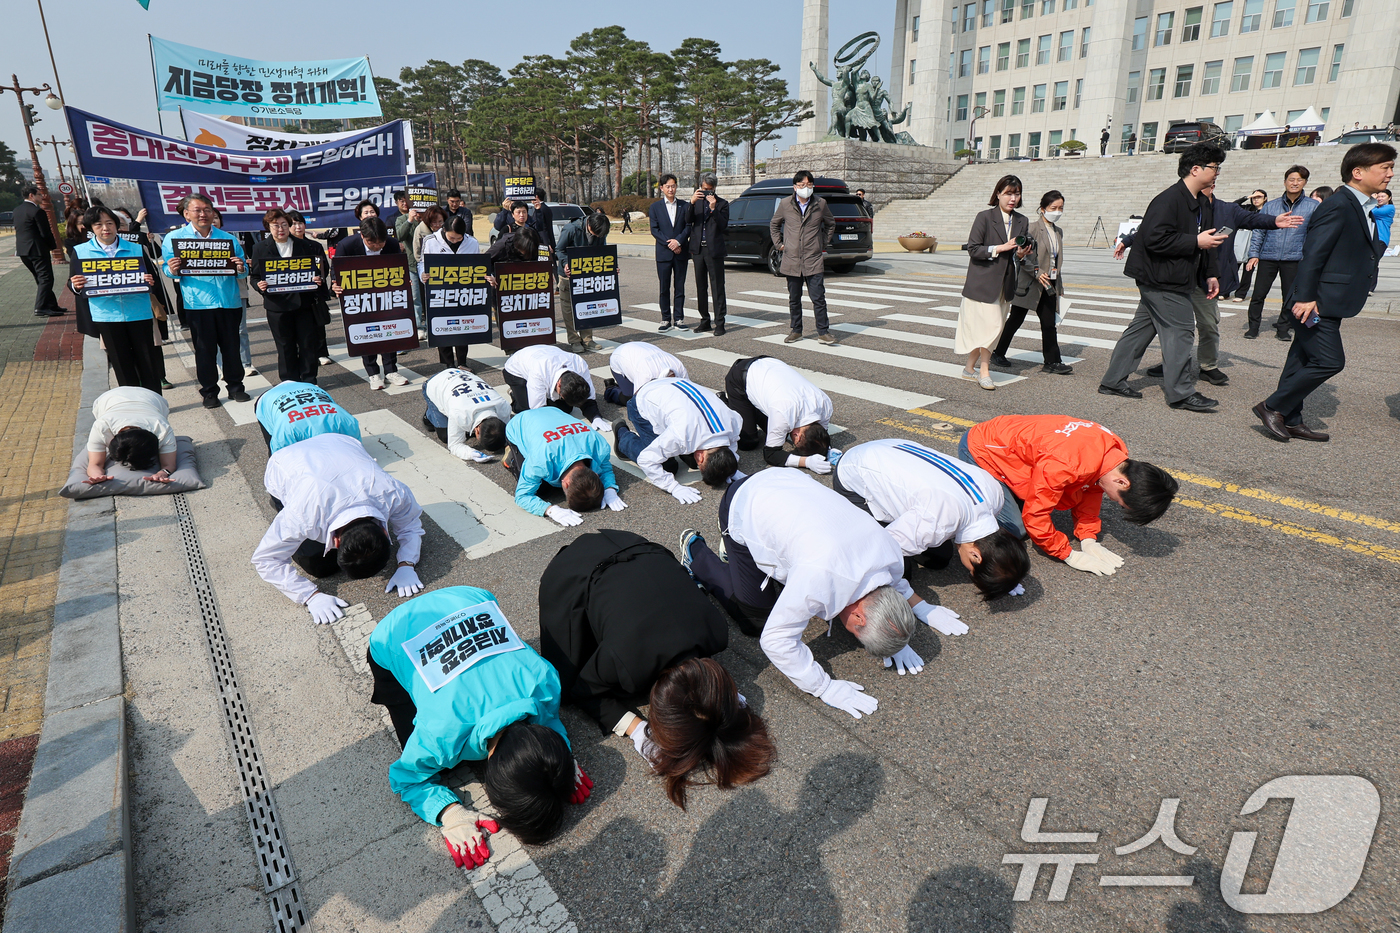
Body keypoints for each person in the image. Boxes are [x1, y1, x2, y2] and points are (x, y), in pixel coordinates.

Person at [679, 470, 959, 718]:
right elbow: (776, 641)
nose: (852, 637)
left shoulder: (889, 550)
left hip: (787, 483)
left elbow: (895, 582)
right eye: (858, 635)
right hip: (743, 500)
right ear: (859, 616)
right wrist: (823, 686)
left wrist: (899, 630)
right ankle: (697, 553)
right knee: (755, 619)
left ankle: (750, 557)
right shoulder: (818, 578)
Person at [537, 530, 773, 808]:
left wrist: (722, 695)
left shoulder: (715, 631)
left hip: (639, 546)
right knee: (560, 682)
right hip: (575, 568)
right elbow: (585, 691)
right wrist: (636, 728)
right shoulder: (623, 661)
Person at [367, 585, 591, 867]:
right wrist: (449, 813)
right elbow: (406, 776)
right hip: (391, 631)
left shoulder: (543, 681)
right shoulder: (440, 734)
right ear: (492, 780)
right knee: (437, 758)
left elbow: (548, 721)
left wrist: (558, 761)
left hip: (468, 598)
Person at [1254, 144, 1395, 443]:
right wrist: (1305, 297)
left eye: (1391, 167)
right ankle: (1273, 406)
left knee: (1301, 361)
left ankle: (1291, 419)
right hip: (1315, 302)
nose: (1390, 173)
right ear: (1358, 172)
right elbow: (1313, 253)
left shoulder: (1362, 206)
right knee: (1330, 361)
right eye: (1384, 167)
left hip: (1331, 300)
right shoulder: (1338, 204)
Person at [1119, 182, 1301, 387]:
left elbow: (1252, 219)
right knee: (1173, 327)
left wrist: (1274, 221)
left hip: (1205, 279)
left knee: (1208, 324)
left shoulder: (1227, 209)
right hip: (1176, 276)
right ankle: (1172, 365)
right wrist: (1127, 241)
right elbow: (1154, 229)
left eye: (1213, 178)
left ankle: (1208, 366)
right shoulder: (1181, 205)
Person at [958, 415, 1178, 574]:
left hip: (1012, 443)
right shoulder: (1065, 464)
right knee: (1018, 528)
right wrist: (1066, 553)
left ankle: (1011, 495)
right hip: (982, 450)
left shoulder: (1115, 455)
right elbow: (1036, 516)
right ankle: (967, 502)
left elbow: (1092, 489)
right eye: (1121, 502)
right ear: (1122, 481)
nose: (1113, 501)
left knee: (1047, 494)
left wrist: (1088, 537)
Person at [1097, 144, 1227, 412]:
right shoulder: (1169, 199)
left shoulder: (1200, 201)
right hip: (1161, 279)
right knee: (1180, 332)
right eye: (1214, 167)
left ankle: (1112, 381)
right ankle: (1180, 393)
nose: (1217, 173)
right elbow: (1154, 237)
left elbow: (1208, 240)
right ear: (1195, 169)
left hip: (1169, 277)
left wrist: (1210, 273)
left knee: (1140, 331)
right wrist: (1195, 241)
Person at [252, 432, 425, 625]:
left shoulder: (392, 491)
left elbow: (411, 524)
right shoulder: (302, 515)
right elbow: (266, 559)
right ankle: (277, 502)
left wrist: (406, 564)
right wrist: (309, 596)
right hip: (285, 461)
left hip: (339, 442)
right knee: (318, 567)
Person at [832, 438, 1030, 599]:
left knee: (939, 557)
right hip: (855, 471)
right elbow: (882, 548)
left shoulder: (995, 495)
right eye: (972, 571)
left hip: (893, 447)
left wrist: (1005, 572)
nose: (969, 573)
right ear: (976, 555)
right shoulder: (936, 522)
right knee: (900, 572)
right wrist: (916, 603)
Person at [160, 193, 250, 409]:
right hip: (197, 304)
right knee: (204, 350)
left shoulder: (228, 238)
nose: (203, 214)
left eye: (207, 210)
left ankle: (236, 387)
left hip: (229, 302)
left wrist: (240, 268)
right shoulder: (174, 239)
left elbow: (242, 270)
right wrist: (171, 270)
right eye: (197, 210)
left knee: (231, 347)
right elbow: (168, 270)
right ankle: (209, 391)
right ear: (186, 214)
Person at [70, 206, 162, 392]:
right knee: (121, 364)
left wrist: (149, 281)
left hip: (139, 313)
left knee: (148, 362)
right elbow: (74, 284)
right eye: (98, 225)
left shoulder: (136, 248)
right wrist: (75, 285)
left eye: (109, 223)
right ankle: (131, 406)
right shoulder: (80, 252)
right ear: (90, 228)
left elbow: (154, 281)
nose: (105, 228)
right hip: (106, 315)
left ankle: (154, 403)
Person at [613, 377, 741, 503]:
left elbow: (733, 442)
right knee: (667, 466)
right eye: (700, 464)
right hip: (642, 398)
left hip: (673, 384)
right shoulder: (681, 435)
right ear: (701, 457)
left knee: (689, 459)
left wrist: (728, 468)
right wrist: (672, 487)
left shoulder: (732, 423)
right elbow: (646, 459)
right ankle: (623, 436)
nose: (698, 464)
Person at [958, 175, 1031, 390]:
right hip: (982, 283)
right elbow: (973, 249)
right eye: (1008, 193)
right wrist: (999, 248)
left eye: (1016, 194)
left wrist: (1020, 253)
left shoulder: (1022, 221)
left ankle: (968, 368)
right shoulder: (984, 217)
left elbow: (1017, 255)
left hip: (1006, 284)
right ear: (997, 194)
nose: (1013, 198)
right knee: (994, 327)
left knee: (990, 330)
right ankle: (984, 371)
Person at [501, 407, 625, 526]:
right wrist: (550, 510)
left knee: (546, 485)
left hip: (551, 411)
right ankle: (511, 455)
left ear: (595, 474)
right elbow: (522, 496)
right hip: (519, 423)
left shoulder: (599, 446)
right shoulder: (540, 462)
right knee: (540, 490)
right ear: (565, 484)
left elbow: (606, 467)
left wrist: (609, 488)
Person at [991, 190, 1070, 375]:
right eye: (1053, 208)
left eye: (1061, 208)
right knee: (1015, 320)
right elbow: (1021, 256)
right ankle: (998, 352)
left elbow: (1055, 261)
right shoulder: (1032, 228)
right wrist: (1037, 272)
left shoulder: (1059, 231)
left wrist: (1060, 286)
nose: (1057, 211)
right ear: (1042, 209)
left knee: (1048, 323)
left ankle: (1052, 361)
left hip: (1049, 283)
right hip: (1030, 284)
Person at [249, 209, 325, 385]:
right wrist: (259, 286)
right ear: (268, 227)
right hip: (277, 306)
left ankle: (309, 380)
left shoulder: (304, 245)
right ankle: (289, 381)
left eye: (284, 224)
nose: (280, 229)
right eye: (275, 225)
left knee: (307, 344)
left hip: (303, 305)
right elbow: (255, 276)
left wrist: (317, 279)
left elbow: (315, 272)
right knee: (285, 347)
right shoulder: (260, 248)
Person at [332, 216, 409, 390]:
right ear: (362, 236)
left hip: (385, 295)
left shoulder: (391, 244)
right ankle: (373, 373)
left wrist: (404, 282)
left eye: (380, 243)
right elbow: (336, 269)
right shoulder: (347, 245)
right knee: (365, 332)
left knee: (389, 330)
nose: (377, 247)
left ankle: (391, 370)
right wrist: (335, 283)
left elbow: (399, 267)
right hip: (360, 298)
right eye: (372, 243)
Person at [721, 356, 835, 471]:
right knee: (748, 443)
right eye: (795, 444)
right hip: (740, 376)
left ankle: (748, 410)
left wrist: (826, 449)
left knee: (781, 433)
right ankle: (723, 403)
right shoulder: (784, 414)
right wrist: (806, 462)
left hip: (770, 364)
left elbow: (822, 433)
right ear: (797, 436)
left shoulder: (825, 404)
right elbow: (770, 454)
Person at [1245, 165, 1318, 341]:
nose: (1295, 183)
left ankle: (1283, 329)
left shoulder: (1313, 206)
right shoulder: (1270, 206)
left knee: (1289, 296)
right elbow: (1258, 231)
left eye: (1299, 180)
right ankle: (1253, 327)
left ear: (1305, 182)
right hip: (1268, 256)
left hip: (1294, 258)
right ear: (1285, 182)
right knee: (1258, 295)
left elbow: (1314, 234)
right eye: (1291, 179)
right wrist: (1254, 254)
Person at [770, 170, 837, 345]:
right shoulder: (785, 204)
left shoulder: (820, 204)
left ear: (813, 186)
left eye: (808, 185)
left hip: (813, 259)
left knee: (818, 298)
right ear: (795, 187)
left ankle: (823, 332)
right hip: (792, 259)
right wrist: (780, 244)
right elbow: (774, 224)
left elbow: (830, 224)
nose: (805, 188)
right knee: (794, 298)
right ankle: (796, 330)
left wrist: (822, 243)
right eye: (801, 185)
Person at [417, 215, 481, 368]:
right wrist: (422, 274)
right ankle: (448, 365)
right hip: (440, 291)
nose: (454, 241)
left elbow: (479, 265)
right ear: (444, 230)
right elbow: (422, 263)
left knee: (462, 326)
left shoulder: (472, 242)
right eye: (451, 238)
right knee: (442, 327)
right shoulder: (431, 241)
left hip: (463, 291)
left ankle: (462, 362)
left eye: (458, 239)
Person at [83, 386, 178, 485]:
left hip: (152, 398)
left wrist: (163, 473)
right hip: (109, 398)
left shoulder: (162, 428)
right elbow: (95, 464)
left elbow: (169, 465)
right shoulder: (101, 426)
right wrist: (97, 475)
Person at [501, 343, 607, 429]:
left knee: (565, 410)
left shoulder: (579, 364)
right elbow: (538, 410)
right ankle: (515, 396)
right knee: (527, 411)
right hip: (515, 371)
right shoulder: (540, 371)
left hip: (545, 353)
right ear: (559, 384)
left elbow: (588, 399)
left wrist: (595, 417)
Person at [421, 367, 509, 463]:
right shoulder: (460, 413)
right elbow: (454, 444)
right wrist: (470, 453)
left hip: (460, 378)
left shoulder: (503, 407)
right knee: (445, 436)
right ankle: (429, 414)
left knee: (463, 430)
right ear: (478, 430)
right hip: (435, 383)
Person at [209, 208, 257, 378]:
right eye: (210, 217)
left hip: (236, 291)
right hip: (208, 297)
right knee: (215, 334)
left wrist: (241, 266)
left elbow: (243, 269)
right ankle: (222, 366)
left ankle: (245, 363)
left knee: (240, 330)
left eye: (216, 218)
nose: (212, 220)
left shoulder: (231, 240)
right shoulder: (195, 243)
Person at [556, 211, 611, 352]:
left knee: (588, 307)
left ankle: (587, 339)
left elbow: (602, 251)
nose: (598, 237)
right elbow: (559, 249)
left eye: (601, 235)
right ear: (589, 225)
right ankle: (574, 340)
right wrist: (565, 264)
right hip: (568, 276)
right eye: (596, 234)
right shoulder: (571, 229)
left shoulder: (600, 231)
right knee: (568, 310)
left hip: (587, 274)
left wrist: (610, 268)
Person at [255, 381, 360, 454]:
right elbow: (279, 456)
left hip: (308, 389)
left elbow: (356, 449)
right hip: (268, 399)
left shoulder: (345, 422)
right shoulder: (287, 432)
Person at [287, 210, 334, 366]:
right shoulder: (286, 247)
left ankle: (322, 353)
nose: (298, 227)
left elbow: (324, 268)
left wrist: (319, 278)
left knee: (318, 324)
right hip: (292, 293)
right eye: (294, 224)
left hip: (314, 292)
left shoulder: (314, 246)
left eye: (300, 223)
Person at [648, 174, 691, 332]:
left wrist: (678, 241)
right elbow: (655, 230)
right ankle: (665, 319)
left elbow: (688, 226)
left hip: (681, 252)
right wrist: (670, 244)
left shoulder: (685, 206)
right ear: (661, 188)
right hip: (664, 254)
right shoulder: (655, 207)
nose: (671, 189)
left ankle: (679, 318)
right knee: (664, 288)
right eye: (668, 186)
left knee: (679, 287)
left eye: (673, 186)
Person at [689, 173, 729, 335]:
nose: (707, 193)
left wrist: (713, 209)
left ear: (714, 189)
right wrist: (691, 203)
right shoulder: (696, 203)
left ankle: (720, 322)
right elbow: (687, 219)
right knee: (701, 287)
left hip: (714, 251)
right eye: (704, 189)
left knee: (717, 287)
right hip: (698, 250)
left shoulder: (722, 204)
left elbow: (723, 225)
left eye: (710, 190)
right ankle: (704, 320)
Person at [14, 184, 62, 317]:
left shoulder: (17, 210)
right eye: (39, 194)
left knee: (40, 278)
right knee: (46, 279)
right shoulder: (37, 211)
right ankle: (40, 307)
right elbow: (45, 232)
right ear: (32, 196)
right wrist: (53, 247)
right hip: (37, 250)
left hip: (23, 251)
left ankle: (51, 305)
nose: (42, 197)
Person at [602, 341, 688, 405]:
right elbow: (638, 402)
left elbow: (688, 392)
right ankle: (610, 390)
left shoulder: (680, 367)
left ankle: (624, 385)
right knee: (629, 399)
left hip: (640, 350)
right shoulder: (647, 375)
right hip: (619, 357)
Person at [392, 192, 425, 336]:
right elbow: (399, 236)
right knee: (415, 297)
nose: (405, 204)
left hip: (429, 263)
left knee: (431, 295)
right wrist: (410, 220)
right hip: (411, 263)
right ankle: (418, 326)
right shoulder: (402, 219)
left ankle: (433, 324)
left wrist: (422, 218)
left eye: (407, 201)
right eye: (402, 201)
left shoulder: (427, 217)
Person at [1230, 190, 1268, 301]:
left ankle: (1240, 294)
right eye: (1254, 197)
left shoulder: (1267, 209)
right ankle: (1226, 290)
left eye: (1259, 197)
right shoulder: (1246, 208)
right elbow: (1233, 205)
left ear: (1265, 198)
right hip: (1241, 239)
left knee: (1248, 270)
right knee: (1232, 268)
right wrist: (1247, 197)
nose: (1256, 199)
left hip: (1255, 242)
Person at [530, 192, 555, 257]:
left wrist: (547, 243)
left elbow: (543, 228)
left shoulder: (540, 209)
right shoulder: (546, 208)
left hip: (543, 241)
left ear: (536, 197)